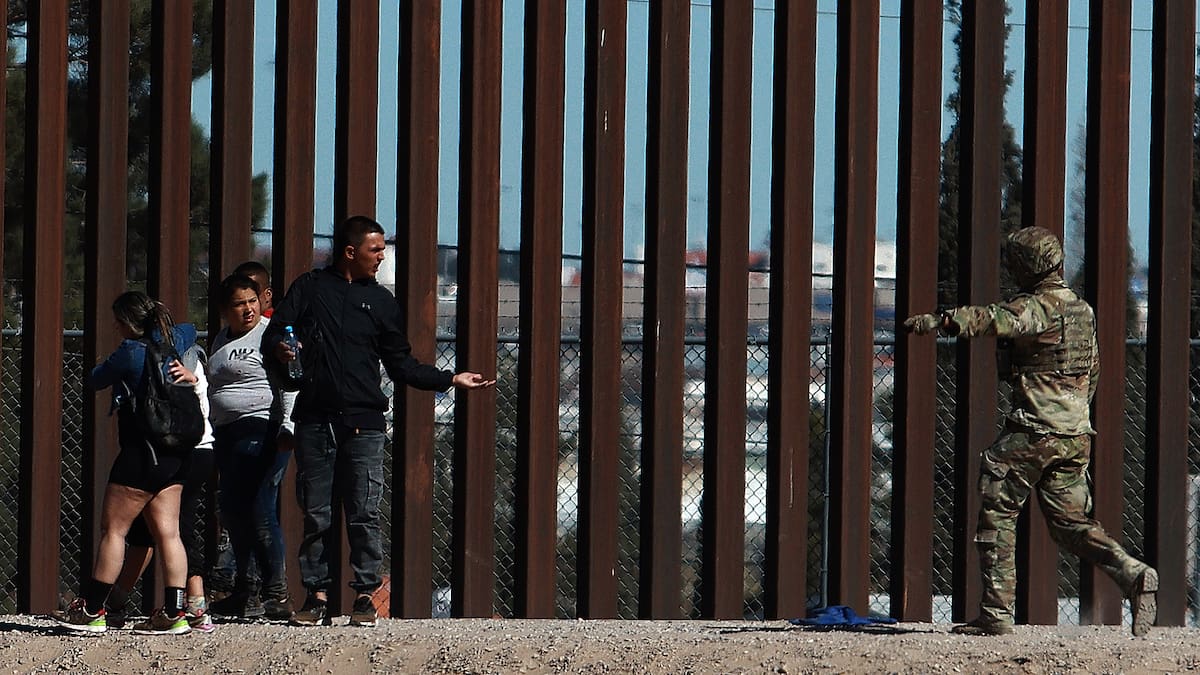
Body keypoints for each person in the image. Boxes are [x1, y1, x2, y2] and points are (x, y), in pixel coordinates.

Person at [903, 226, 1158, 637]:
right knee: (1070, 525)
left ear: (1027, 266)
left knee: (997, 508)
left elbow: (993, 319)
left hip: (1035, 430)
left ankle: (996, 613)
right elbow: (1093, 368)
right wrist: (1073, 409)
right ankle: (1132, 573)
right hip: (1075, 434)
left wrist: (941, 320)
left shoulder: (1035, 308)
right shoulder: (1081, 309)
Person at [263, 215, 494, 627]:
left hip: (364, 423)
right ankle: (316, 596)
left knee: (363, 512)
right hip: (316, 419)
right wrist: (282, 347)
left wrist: (449, 378)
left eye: (382, 249)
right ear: (351, 252)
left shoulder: (382, 303)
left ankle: (365, 596)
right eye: (375, 249)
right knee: (316, 512)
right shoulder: (310, 288)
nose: (381, 256)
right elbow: (276, 334)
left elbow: (401, 364)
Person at [56, 291, 197, 635]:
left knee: (114, 530)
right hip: (176, 454)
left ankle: (92, 610)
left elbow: (96, 378)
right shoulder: (175, 339)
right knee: (169, 533)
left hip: (141, 452)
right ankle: (175, 614)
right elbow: (190, 329)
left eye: (118, 322)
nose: (116, 327)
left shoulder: (130, 352)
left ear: (127, 323)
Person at [108, 342, 216, 632]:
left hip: (183, 449)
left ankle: (190, 605)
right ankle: (119, 602)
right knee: (155, 530)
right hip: (197, 448)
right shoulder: (188, 353)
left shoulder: (168, 360)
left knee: (172, 529)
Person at [207, 273, 297, 621]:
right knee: (232, 511)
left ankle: (276, 592)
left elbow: (290, 381)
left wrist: (287, 425)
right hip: (227, 432)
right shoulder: (221, 338)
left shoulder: (268, 334)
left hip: (262, 427)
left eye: (251, 301)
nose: (247, 309)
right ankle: (246, 591)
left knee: (259, 509)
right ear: (224, 310)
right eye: (238, 304)